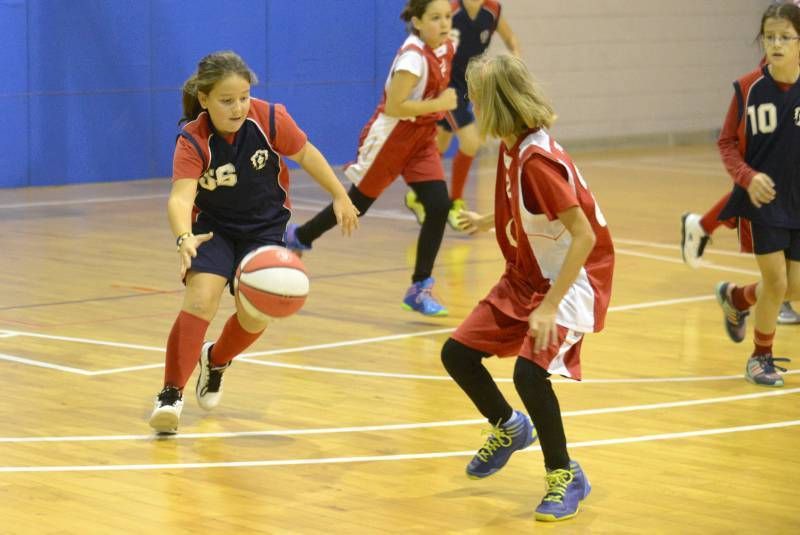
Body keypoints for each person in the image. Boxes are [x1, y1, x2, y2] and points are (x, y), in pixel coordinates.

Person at [148, 51, 360, 434]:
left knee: (256, 312)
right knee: (201, 298)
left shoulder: (270, 118)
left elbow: (306, 154)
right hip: (213, 228)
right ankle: (170, 394)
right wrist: (183, 237)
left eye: (243, 97)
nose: (238, 107)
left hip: (264, 229)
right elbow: (180, 198)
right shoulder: (193, 140)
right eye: (227, 100)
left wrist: (339, 194)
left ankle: (216, 361)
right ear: (205, 99)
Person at [441, 54, 614, 522]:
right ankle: (508, 426)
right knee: (457, 354)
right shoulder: (513, 144)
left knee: (528, 374)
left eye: (475, 96)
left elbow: (584, 236)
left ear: (494, 103)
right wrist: (493, 219)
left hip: (571, 279)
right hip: (527, 274)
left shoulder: (537, 161)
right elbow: (529, 208)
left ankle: (564, 474)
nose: (470, 102)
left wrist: (550, 305)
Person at [284, 0, 457, 316]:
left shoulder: (446, 48)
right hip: (391, 138)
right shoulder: (412, 59)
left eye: (447, 16)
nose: (444, 23)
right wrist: (440, 104)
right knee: (357, 206)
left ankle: (419, 287)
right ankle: (300, 235)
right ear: (417, 22)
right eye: (435, 18)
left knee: (439, 206)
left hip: (421, 140)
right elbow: (394, 107)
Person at [713, 2, 800, 387]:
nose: (776, 44)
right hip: (762, 201)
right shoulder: (748, 88)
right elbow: (727, 142)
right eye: (770, 36)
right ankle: (759, 357)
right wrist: (747, 178)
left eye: (785, 37)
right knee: (777, 282)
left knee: (794, 287)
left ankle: (737, 298)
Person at [404, 0, 520, 231]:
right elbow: (423, 39)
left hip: (469, 87)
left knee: (440, 143)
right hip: (446, 86)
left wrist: (515, 59)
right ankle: (455, 202)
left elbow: (511, 39)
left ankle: (417, 194)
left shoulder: (493, 10)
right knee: (471, 141)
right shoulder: (451, 10)